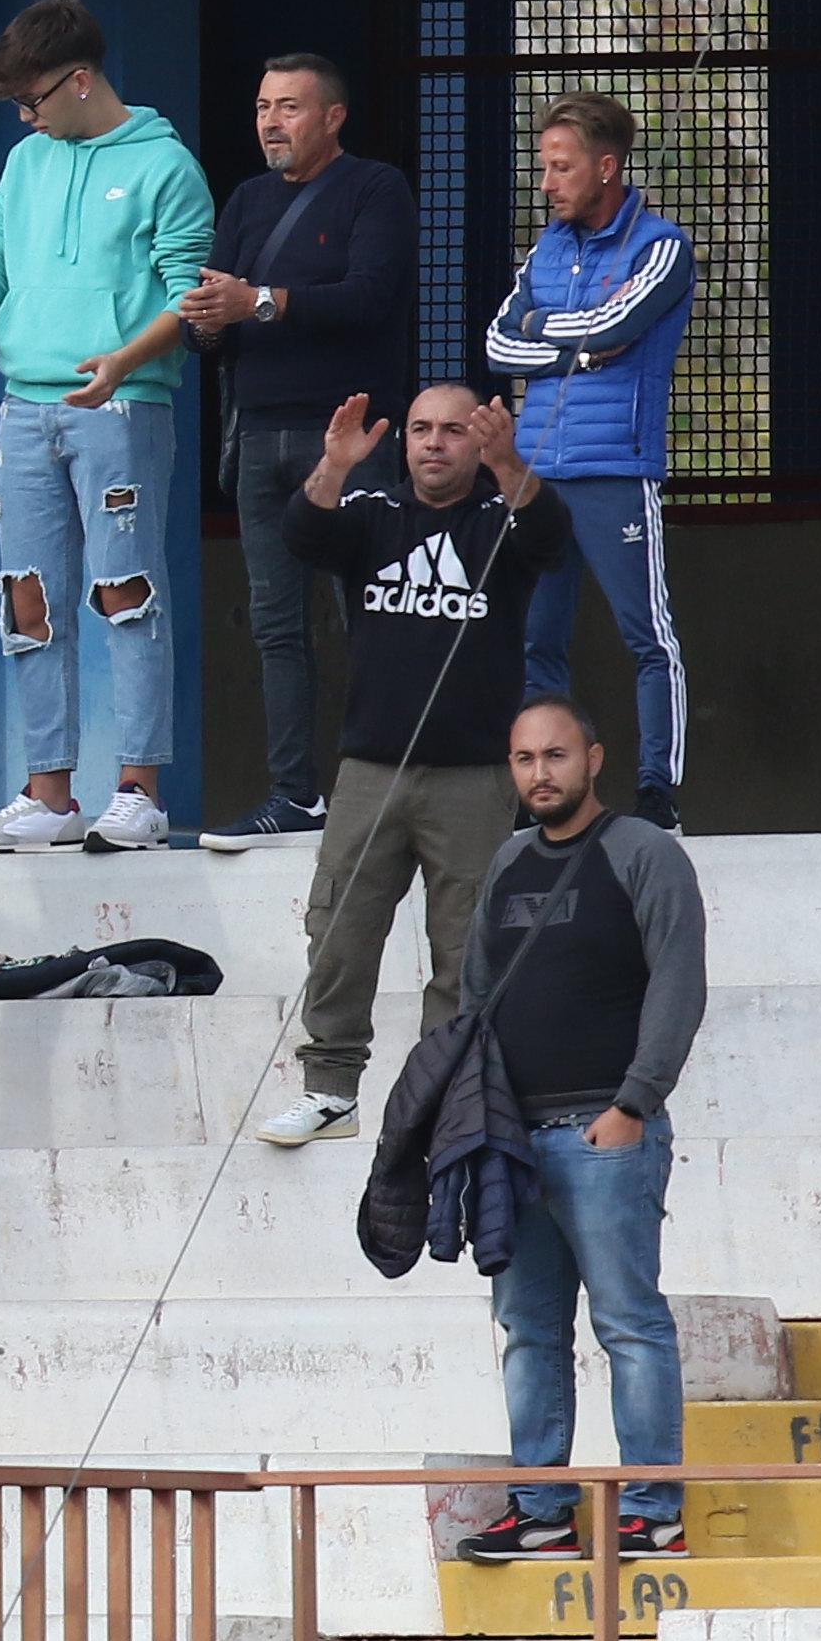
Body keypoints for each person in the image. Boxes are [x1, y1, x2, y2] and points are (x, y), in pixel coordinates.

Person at [0, 0, 213, 854]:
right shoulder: (27, 165)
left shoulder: (165, 165)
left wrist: (124, 363)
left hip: (123, 404)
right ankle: (49, 794)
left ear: (77, 80)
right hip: (23, 407)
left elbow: (190, 293)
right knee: (24, 597)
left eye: (31, 101)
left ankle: (139, 788)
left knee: (125, 592)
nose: (24, 120)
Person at [257, 386, 573, 1147]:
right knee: (337, 930)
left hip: (472, 779)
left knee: (465, 948)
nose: (435, 444)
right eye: (422, 430)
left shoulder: (501, 523)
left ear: (478, 441)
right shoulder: (372, 515)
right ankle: (330, 1091)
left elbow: (552, 538)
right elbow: (302, 532)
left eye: (454, 432)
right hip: (371, 771)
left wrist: (508, 464)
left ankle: (441, 1094)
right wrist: (333, 464)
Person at [446, 697, 704, 1563]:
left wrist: (633, 1104)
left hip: (606, 1135)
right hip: (513, 1143)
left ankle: (651, 1508)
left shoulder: (645, 854)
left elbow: (678, 985)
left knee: (629, 1324)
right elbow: (473, 995)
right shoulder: (509, 860)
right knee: (528, 1329)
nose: (540, 774)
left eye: (555, 756)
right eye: (524, 760)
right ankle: (542, 1511)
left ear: (593, 759)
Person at [185, 52, 417, 848]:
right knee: (277, 627)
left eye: (288, 107)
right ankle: (294, 794)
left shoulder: (376, 188)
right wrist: (210, 320)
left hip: (350, 437)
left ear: (332, 117)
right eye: (261, 107)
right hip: (258, 435)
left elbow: (371, 295)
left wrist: (263, 302)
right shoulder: (247, 199)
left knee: (373, 615)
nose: (270, 123)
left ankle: (387, 786)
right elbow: (218, 313)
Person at [483, 92, 695, 825]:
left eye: (560, 168)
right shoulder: (547, 248)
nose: (546, 183)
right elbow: (497, 342)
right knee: (536, 637)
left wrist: (548, 332)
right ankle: (537, 795)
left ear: (606, 168)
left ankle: (657, 793)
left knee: (647, 635)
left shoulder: (662, 245)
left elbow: (624, 323)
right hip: (540, 474)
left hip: (616, 471)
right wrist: (573, 340)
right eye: (545, 167)